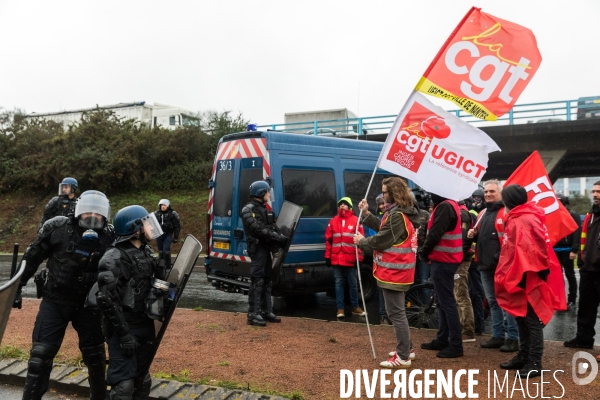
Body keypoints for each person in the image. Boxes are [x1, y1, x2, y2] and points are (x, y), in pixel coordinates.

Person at [13, 190, 114, 400]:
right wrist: (17, 287)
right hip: (55, 300)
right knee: (39, 357)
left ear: (106, 217)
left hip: (89, 305)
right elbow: (31, 258)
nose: (92, 219)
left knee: (96, 358)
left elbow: (127, 261)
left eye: (98, 215)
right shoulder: (58, 229)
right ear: (78, 212)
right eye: (87, 214)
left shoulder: (110, 237)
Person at [96, 205, 166, 400]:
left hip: (144, 324)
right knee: (124, 386)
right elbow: (106, 299)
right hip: (124, 329)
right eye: (146, 223)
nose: (150, 227)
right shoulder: (114, 257)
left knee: (142, 381)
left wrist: (163, 281)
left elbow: (154, 288)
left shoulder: (146, 251)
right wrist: (124, 334)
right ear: (135, 229)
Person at [496, 184, 563, 377]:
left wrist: (531, 272)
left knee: (530, 319)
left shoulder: (523, 218)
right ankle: (524, 355)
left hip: (526, 274)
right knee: (520, 316)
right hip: (519, 273)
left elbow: (533, 248)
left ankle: (535, 361)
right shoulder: (520, 217)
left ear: (510, 200)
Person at [354, 177, 420, 369]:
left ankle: (403, 356)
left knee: (396, 314)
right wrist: (366, 214)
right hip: (397, 271)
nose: (382, 196)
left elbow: (382, 239)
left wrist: (362, 242)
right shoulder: (398, 213)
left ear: (394, 193)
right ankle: (407, 349)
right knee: (398, 313)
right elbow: (385, 230)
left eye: (384, 192)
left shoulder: (397, 215)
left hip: (394, 273)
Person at [467, 180, 519, 353]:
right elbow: (484, 239)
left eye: (492, 191)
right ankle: (498, 335)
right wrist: (473, 236)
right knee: (493, 302)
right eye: (486, 191)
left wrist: (498, 259)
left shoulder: (506, 213)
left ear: (501, 194)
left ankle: (513, 338)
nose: (488, 194)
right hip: (485, 266)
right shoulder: (482, 213)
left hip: (502, 267)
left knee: (508, 303)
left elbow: (510, 241)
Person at [419, 193, 464, 358]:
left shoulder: (445, 206)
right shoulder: (447, 204)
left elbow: (435, 234)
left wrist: (424, 252)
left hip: (444, 260)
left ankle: (455, 345)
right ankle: (443, 339)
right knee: (442, 301)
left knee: (446, 303)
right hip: (444, 259)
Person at [241, 180, 288, 327]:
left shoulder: (264, 209)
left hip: (266, 248)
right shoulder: (248, 210)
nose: (269, 194)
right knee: (257, 280)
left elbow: (272, 227)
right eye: (267, 191)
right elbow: (259, 230)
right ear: (261, 193)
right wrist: (278, 238)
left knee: (267, 280)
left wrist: (282, 234)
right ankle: (253, 314)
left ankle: (266, 311)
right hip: (257, 249)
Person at [564, 181, 600, 350]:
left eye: (598, 191)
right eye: (593, 191)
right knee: (585, 307)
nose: (595, 194)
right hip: (588, 268)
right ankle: (583, 339)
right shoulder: (590, 215)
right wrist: (583, 260)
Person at [325, 197, 365, 318]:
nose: (342, 206)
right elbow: (329, 240)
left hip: (351, 259)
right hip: (337, 259)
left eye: (345, 204)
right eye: (340, 204)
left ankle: (355, 307)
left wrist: (360, 258)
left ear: (350, 207)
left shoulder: (356, 221)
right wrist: (327, 256)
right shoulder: (333, 221)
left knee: (353, 284)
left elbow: (361, 241)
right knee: (339, 284)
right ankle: (340, 309)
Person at [554, 193, 582, 310]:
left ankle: (572, 299)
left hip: (568, 249)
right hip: (555, 249)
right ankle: (559, 300)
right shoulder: (552, 215)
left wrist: (574, 250)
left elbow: (577, 232)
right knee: (557, 277)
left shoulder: (572, 215)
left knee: (570, 274)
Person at [454, 199, 477, 342]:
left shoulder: (461, 213)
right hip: (460, 256)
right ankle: (464, 328)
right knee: (458, 293)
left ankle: (468, 331)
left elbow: (463, 239)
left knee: (460, 294)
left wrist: (457, 258)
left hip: (460, 258)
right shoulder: (461, 211)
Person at [154, 199, 181, 269]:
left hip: (168, 235)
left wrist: (175, 237)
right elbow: (152, 224)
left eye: (164, 205)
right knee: (160, 252)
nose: (163, 207)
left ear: (168, 206)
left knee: (166, 252)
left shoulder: (172, 214)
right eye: (161, 205)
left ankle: (168, 267)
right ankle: (161, 267)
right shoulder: (156, 214)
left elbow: (177, 226)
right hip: (159, 235)